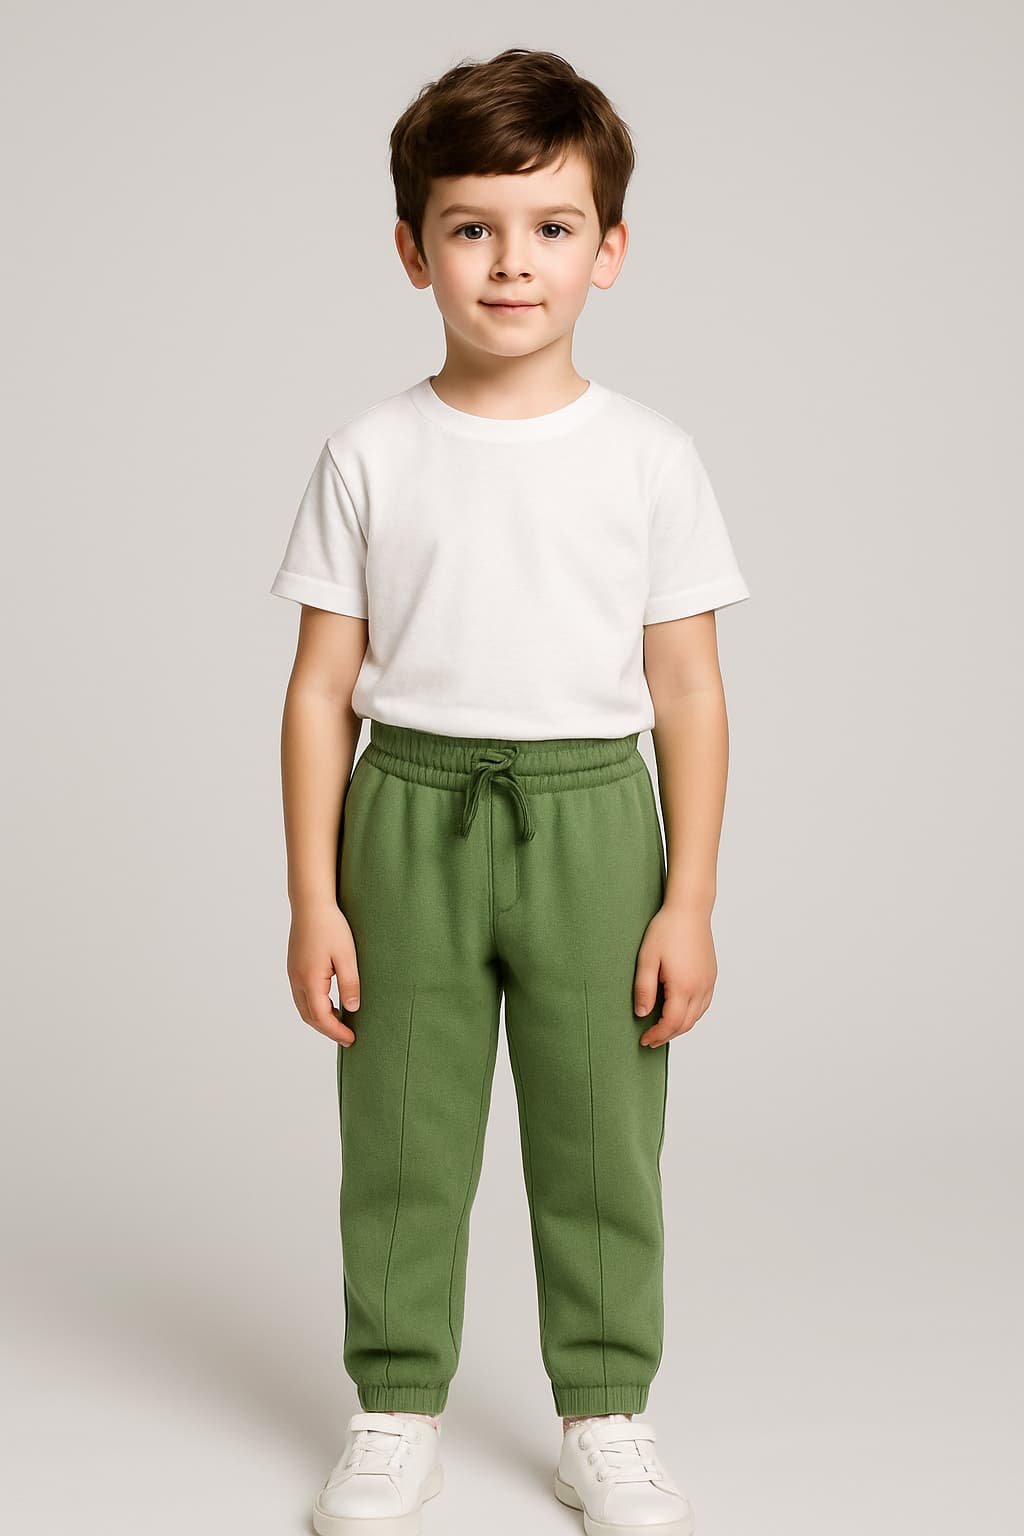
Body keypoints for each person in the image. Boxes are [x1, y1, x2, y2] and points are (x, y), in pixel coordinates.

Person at [270, 46, 750, 1536]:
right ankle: (393, 1408)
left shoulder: (651, 459)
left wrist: (687, 900)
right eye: (471, 227)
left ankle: (605, 1413)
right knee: (402, 1131)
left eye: (551, 226)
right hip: (407, 815)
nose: (510, 263)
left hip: (593, 819)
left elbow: (689, 693)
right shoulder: (370, 452)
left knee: (602, 1132)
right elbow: (318, 691)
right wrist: (311, 898)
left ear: (610, 249)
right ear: (412, 249)